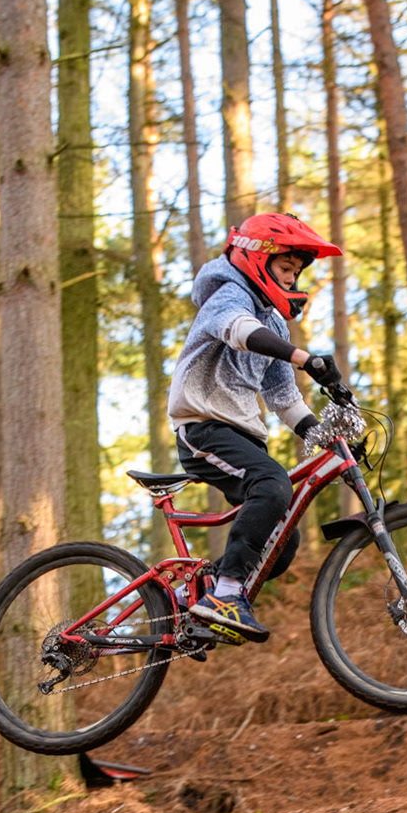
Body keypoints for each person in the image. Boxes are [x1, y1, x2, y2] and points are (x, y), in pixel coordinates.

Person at [167, 212, 346, 645]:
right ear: (257, 259)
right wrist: (305, 358)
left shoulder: (275, 323)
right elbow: (240, 331)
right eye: (285, 267)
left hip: (241, 437)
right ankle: (226, 594)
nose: (291, 279)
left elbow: (284, 398)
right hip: (203, 429)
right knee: (273, 483)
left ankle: (199, 595)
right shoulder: (227, 294)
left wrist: (328, 438)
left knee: (282, 540)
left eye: (296, 272)